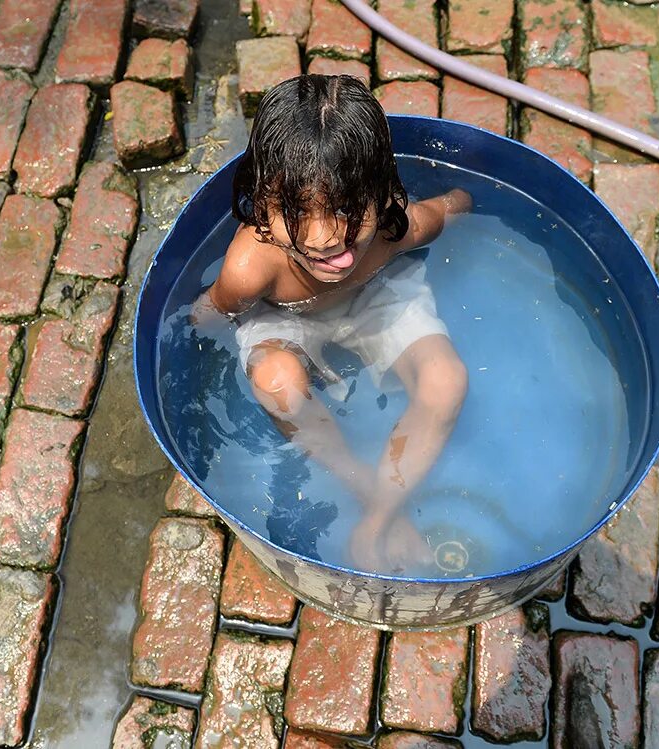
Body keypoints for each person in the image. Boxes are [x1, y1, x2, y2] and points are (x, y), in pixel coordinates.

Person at [194, 74, 471, 573]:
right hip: (285, 318)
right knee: (277, 381)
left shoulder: (391, 231)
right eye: (298, 212)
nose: (325, 238)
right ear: (261, 203)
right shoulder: (251, 268)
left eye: (347, 207)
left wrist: (465, 199)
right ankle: (368, 489)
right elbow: (208, 316)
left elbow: (450, 208)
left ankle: (376, 519)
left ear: (384, 193)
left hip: (373, 296)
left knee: (446, 380)